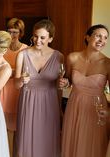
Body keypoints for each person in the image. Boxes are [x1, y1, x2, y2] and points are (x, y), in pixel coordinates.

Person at [14, 19, 62, 157]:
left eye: (42, 37)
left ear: (51, 38)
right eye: (35, 36)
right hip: (28, 101)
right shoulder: (22, 55)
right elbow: (16, 85)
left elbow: (59, 87)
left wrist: (59, 110)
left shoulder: (59, 57)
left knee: (47, 141)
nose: (38, 40)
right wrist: (21, 80)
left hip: (50, 104)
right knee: (26, 139)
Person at [61, 24, 110, 157]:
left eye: (105, 38)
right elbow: (69, 81)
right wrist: (65, 83)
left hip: (96, 109)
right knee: (73, 143)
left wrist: (108, 111)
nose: (102, 40)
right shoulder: (72, 57)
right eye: (98, 36)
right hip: (74, 106)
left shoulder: (108, 63)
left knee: (93, 146)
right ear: (87, 37)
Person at [0, 17, 28, 156]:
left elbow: (27, 72)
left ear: (21, 33)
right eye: (9, 31)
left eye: (15, 32)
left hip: (17, 90)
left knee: (18, 128)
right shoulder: (2, 49)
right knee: (3, 127)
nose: (12, 35)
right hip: (2, 88)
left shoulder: (26, 50)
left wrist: (11, 72)